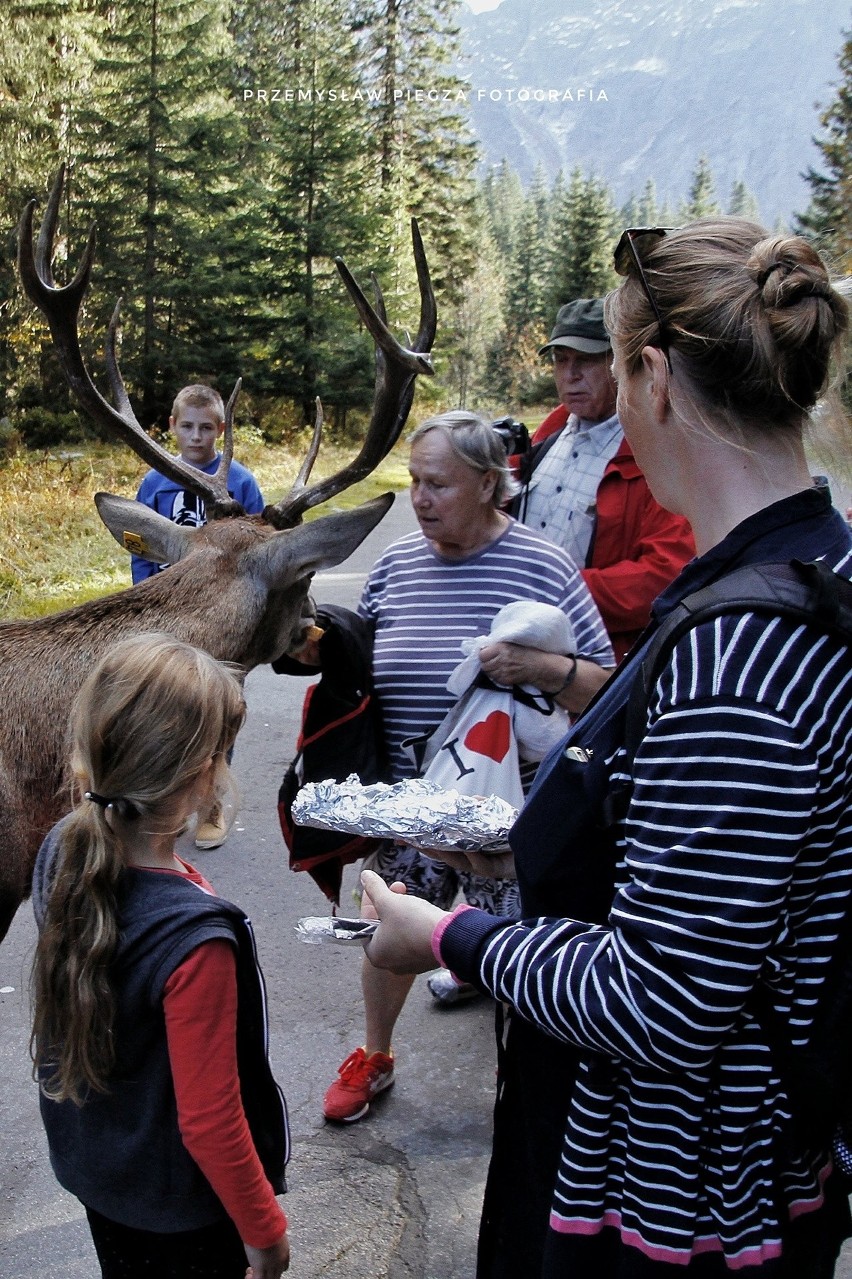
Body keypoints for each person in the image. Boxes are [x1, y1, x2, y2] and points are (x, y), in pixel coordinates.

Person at [360, 220, 852, 1276]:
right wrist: (531, 856)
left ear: (657, 378)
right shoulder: (812, 566)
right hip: (755, 1163)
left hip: (686, 1198)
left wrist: (447, 939)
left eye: (622, 371)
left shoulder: (738, 658)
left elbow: (660, 1000)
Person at [320, 409, 615, 1123]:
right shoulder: (394, 565)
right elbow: (358, 662)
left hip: (512, 816)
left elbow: (606, 688)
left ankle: (529, 1085)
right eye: (415, 482)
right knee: (389, 935)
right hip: (410, 804)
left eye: (439, 485)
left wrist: (541, 666)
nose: (420, 499)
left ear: (490, 483)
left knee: (519, 946)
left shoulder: (542, 564)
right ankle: (375, 1054)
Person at [30, 633, 291, 1279]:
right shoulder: (197, 941)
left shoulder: (65, 844)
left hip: (99, 1171)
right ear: (203, 773)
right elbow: (211, 1120)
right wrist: (265, 1231)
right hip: (180, 1210)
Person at [512, 297, 695, 661]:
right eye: (561, 361)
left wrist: (552, 590)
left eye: (587, 360)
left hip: (599, 664)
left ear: (621, 364)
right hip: (520, 645)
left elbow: (666, 576)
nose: (570, 375)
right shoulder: (550, 432)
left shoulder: (655, 451)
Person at [131, 383, 265, 850]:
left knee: (221, 709)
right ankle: (166, 804)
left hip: (225, 620)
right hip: (169, 614)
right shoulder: (155, 482)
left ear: (221, 431)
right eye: (187, 426)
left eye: (206, 427)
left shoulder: (242, 482)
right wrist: (142, 596)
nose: (196, 436)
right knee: (166, 705)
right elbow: (139, 542)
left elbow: (259, 546)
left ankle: (210, 806)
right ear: (171, 426)